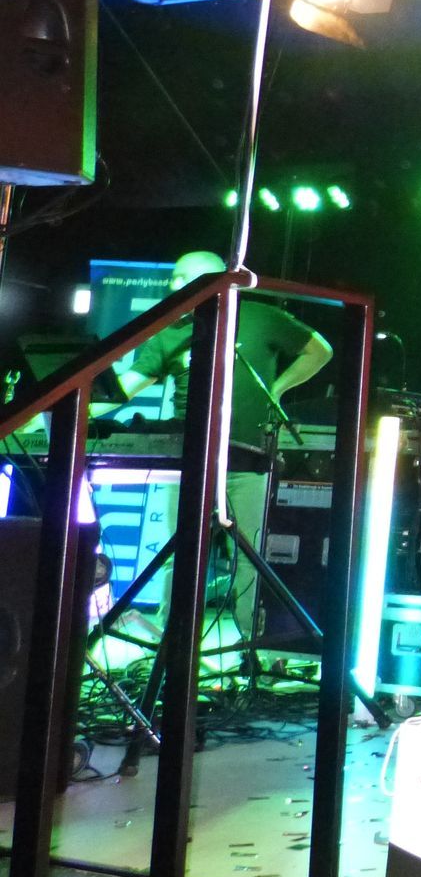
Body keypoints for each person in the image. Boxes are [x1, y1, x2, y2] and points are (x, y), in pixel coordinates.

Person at [115, 250, 333, 634]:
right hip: (192, 460)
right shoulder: (173, 330)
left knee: (249, 555)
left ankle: (249, 644)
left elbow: (320, 350)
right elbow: (126, 387)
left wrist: (277, 389)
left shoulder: (260, 316)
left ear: (215, 280)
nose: (173, 284)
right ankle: (175, 641)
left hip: (247, 459)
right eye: (173, 276)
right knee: (181, 552)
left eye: (182, 276)